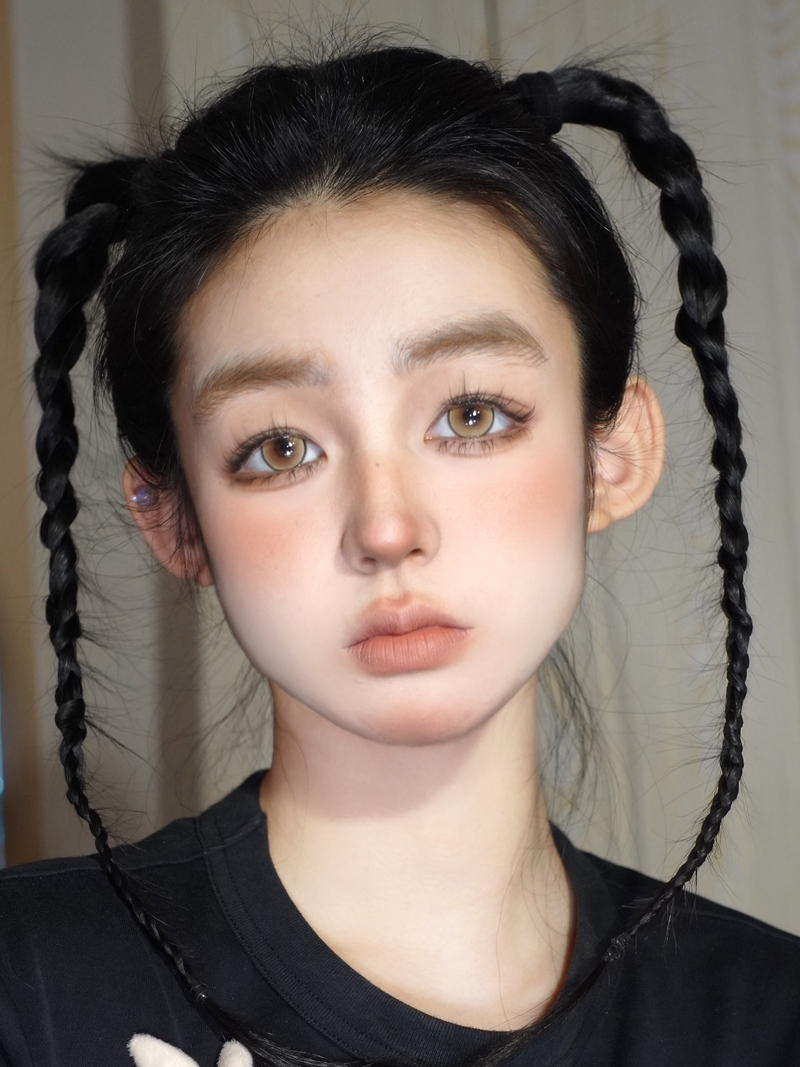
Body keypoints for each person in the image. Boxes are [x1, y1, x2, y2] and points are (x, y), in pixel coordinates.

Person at [0, 40, 798, 1067]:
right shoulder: (27, 988)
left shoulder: (770, 1018)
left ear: (613, 454)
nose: (385, 527)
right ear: (174, 520)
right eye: (280, 447)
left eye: (471, 415)